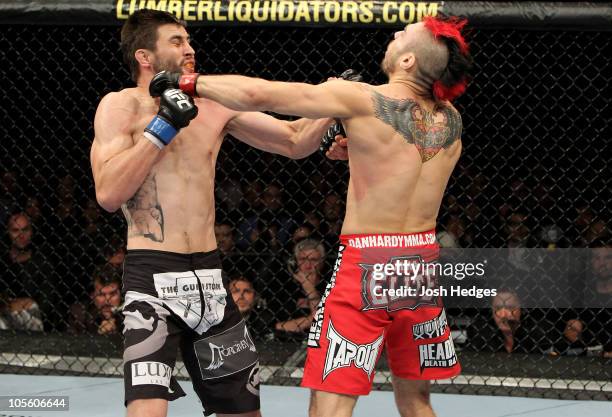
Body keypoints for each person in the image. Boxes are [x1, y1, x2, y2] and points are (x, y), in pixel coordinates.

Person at [151, 15, 473, 417]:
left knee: (329, 402)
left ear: (408, 61)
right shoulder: (451, 121)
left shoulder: (361, 98)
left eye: (403, 35)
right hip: (420, 264)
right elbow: (403, 163)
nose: (394, 35)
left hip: (367, 260)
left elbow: (260, 93)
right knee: (416, 401)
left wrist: (185, 82)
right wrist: (356, 148)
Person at [90, 9, 333, 417]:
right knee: (147, 409)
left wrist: (336, 99)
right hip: (152, 273)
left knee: (243, 411)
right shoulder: (121, 106)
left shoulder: (212, 104)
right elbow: (109, 193)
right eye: (177, 41)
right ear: (144, 56)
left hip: (208, 278)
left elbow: (294, 141)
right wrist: (162, 127)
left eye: (188, 40)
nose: (190, 48)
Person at [68, 263, 123, 335]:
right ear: (92, 295)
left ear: (121, 294)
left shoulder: (134, 314)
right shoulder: (79, 314)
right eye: (101, 294)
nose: (107, 300)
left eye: (113, 294)